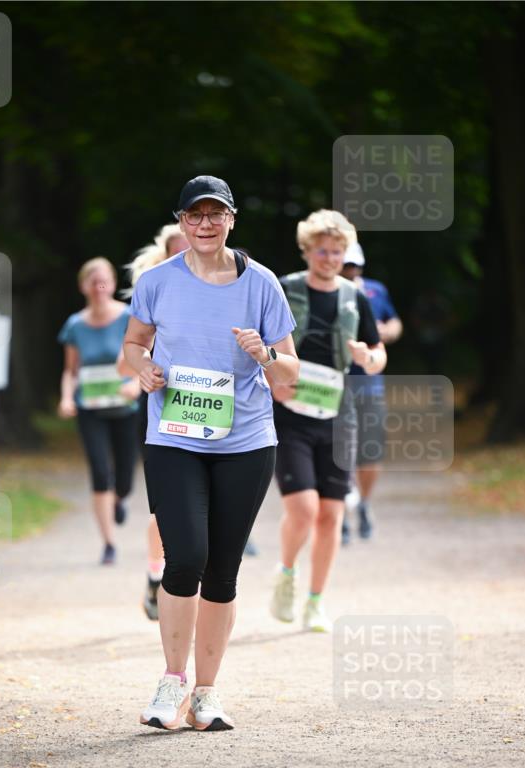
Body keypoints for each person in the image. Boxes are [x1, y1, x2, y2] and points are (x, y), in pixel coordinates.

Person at [123, 175, 298, 731]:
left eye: (215, 215)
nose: (205, 225)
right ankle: (170, 682)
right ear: (181, 222)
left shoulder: (262, 284)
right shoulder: (157, 281)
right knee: (186, 557)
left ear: (231, 220)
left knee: (223, 571)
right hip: (174, 436)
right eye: (194, 216)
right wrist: (143, 367)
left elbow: (291, 372)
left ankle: (205, 694)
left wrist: (265, 352)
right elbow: (133, 342)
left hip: (245, 441)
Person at [270, 210, 386, 632]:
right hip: (290, 415)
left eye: (338, 252)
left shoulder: (355, 297)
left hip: (338, 414)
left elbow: (377, 351)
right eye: (323, 250)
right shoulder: (285, 289)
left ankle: (316, 601)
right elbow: (262, 344)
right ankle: (286, 574)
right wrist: (274, 382)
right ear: (307, 249)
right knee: (303, 509)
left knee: (331, 514)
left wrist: (369, 358)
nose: (330, 258)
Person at [124, 224, 190, 620]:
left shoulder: (223, 288)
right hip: (160, 407)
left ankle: (190, 584)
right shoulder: (151, 293)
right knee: (165, 509)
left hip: (209, 408)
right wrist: (144, 368)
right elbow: (127, 353)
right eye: (176, 251)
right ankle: (155, 574)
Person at [57, 257, 141, 565]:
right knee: (99, 471)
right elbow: (71, 370)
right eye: (92, 281)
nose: (98, 287)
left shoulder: (128, 318)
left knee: (125, 477)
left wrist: (136, 384)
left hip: (125, 407)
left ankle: (120, 498)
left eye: (103, 280)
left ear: (112, 285)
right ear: (83, 287)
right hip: (90, 408)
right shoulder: (75, 326)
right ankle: (108, 543)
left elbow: (142, 355)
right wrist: (67, 398)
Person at [341, 242, 402, 542]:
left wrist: (386, 333)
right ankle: (339, 510)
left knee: (369, 451)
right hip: (335, 385)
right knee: (337, 451)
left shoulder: (376, 290)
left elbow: (394, 322)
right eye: (346, 266)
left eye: (354, 266)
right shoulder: (328, 291)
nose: (350, 272)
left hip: (369, 383)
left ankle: (363, 504)